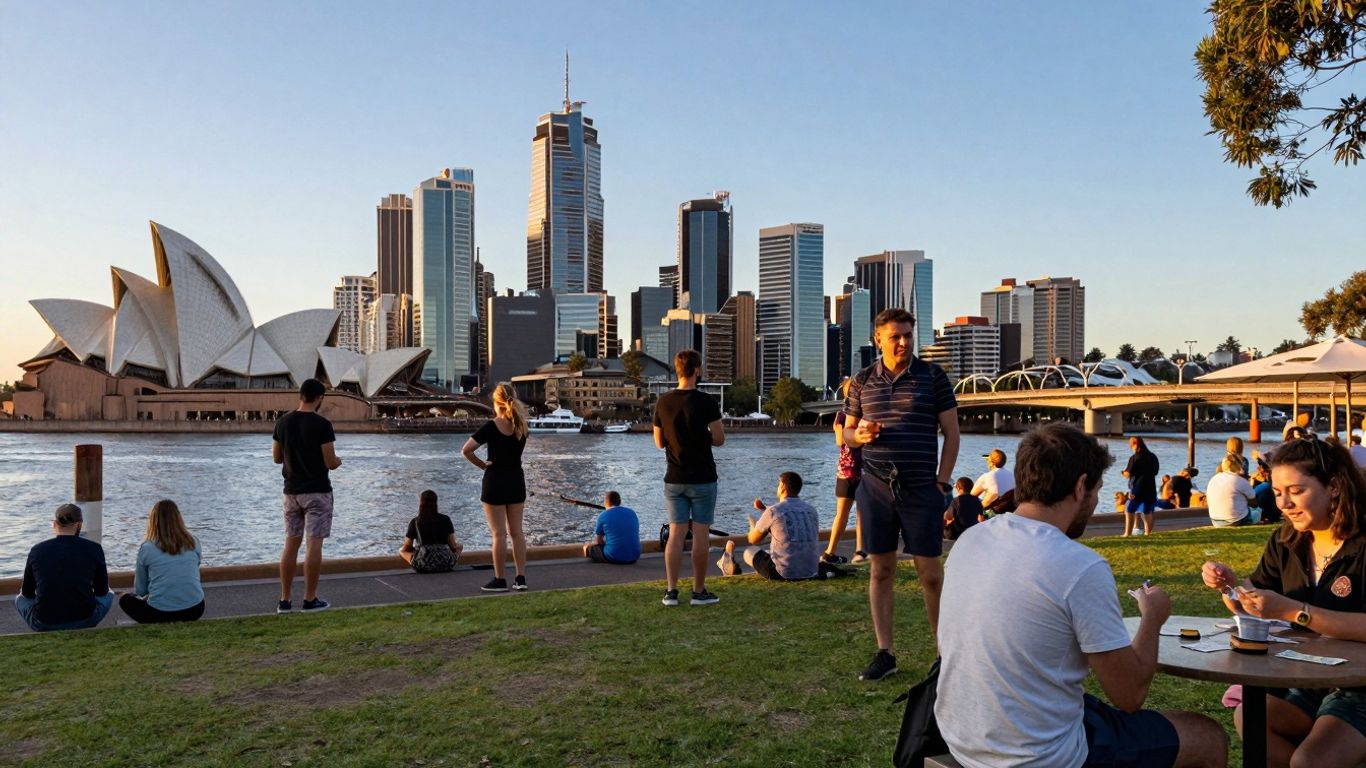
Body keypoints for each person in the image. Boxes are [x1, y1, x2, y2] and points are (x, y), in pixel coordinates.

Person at [937, 423, 1227, 768]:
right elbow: (1129, 695)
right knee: (1208, 737)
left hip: (961, 735)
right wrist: (1152, 617)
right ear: (1079, 487)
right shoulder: (1078, 565)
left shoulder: (972, 539)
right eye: (1096, 490)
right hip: (1038, 756)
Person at [1201, 435, 1366, 768]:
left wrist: (1295, 611)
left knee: (1310, 761)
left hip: (1361, 686)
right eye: (1277, 492)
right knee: (1250, 716)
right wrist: (1230, 588)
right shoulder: (1286, 540)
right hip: (1307, 677)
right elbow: (1255, 599)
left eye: (1296, 490)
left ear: (1333, 487)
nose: (1284, 504)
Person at [842, 307, 959, 681]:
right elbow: (845, 432)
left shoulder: (933, 377)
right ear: (879, 339)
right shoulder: (862, 381)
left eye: (908, 334)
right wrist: (857, 436)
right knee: (881, 569)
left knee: (930, 574)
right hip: (875, 488)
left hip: (922, 488)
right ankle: (885, 653)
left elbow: (952, 436)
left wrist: (941, 482)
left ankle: (944, 654)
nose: (904, 342)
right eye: (895, 336)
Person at [653, 349, 725, 607]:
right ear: (697, 371)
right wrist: (701, 435)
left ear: (677, 370)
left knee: (676, 534)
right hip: (703, 477)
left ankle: (671, 591)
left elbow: (659, 442)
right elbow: (719, 438)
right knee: (701, 533)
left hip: (674, 477)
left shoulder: (663, 402)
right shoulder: (707, 402)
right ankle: (698, 590)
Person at [272, 378, 341, 614]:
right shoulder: (322, 424)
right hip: (318, 492)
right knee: (313, 545)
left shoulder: (282, 422)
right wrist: (338, 461)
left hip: (291, 492)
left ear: (300, 395)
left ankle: (284, 600)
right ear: (320, 398)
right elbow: (330, 462)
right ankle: (310, 599)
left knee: (290, 544)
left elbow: (277, 458)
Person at [462, 382, 530, 592]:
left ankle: (500, 579)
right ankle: (520, 578)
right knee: (517, 533)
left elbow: (466, 450)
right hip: (516, 481)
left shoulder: (492, 426)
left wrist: (483, 464)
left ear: (496, 402)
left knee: (498, 534)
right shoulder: (522, 426)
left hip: (495, 482)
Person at [15, 504, 113, 632]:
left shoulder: (37, 550)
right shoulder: (95, 548)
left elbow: (27, 593)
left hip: (44, 623)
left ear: (55, 524)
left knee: (19, 599)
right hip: (86, 620)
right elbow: (102, 591)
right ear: (79, 525)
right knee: (109, 594)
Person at [726, 471, 825, 581]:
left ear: (782, 486)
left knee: (749, 552)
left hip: (783, 574)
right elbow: (789, 517)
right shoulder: (811, 510)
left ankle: (727, 564)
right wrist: (764, 509)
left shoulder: (773, 511)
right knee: (772, 551)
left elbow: (753, 539)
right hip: (811, 570)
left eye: (778, 484)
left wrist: (752, 523)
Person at [119, 500, 205, 624]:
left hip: (160, 613)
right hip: (195, 609)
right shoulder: (194, 542)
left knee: (124, 598)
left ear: (153, 521)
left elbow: (140, 590)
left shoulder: (147, 548)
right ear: (179, 518)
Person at [826, 389, 866, 565]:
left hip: (857, 471)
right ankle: (832, 552)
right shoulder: (843, 415)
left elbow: (839, 441)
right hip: (852, 471)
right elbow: (839, 441)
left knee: (857, 513)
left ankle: (857, 551)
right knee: (847, 514)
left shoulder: (865, 415)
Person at [399, 490, 463, 573]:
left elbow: (407, 546)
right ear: (436, 503)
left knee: (402, 551)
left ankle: (417, 563)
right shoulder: (445, 519)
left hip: (423, 565)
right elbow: (453, 546)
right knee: (460, 546)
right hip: (446, 564)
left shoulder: (415, 522)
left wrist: (413, 551)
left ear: (421, 503)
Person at [583, 491, 640, 565]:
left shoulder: (603, 515)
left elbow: (599, 541)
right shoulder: (632, 512)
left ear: (606, 502)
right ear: (619, 501)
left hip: (614, 556)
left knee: (587, 548)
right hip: (634, 556)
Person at [1122, 436, 1160, 536]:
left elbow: (1128, 474)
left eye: (1131, 445)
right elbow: (1155, 472)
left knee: (1129, 510)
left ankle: (1127, 533)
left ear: (1135, 445)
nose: (1130, 447)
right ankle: (1147, 533)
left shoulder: (1134, 458)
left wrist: (1123, 472)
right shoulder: (1153, 456)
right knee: (1147, 511)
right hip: (1150, 487)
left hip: (1137, 488)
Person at [1206, 454, 1257, 527]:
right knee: (1257, 511)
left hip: (1216, 521)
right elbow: (1254, 503)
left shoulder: (1214, 478)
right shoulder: (1241, 480)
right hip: (1236, 520)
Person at [970, 449, 1016, 514]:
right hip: (1009, 509)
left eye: (988, 459)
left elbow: (971, 496)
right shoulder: (1011, 475)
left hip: (992, 512)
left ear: (991, 462)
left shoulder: (987, 476)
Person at [944, 476, 982, 541]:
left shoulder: (956, 501)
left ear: (958, 488)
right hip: (971, 531)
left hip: (957, 533)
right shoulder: (977, 500)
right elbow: (980, 517)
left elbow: (948, 517)